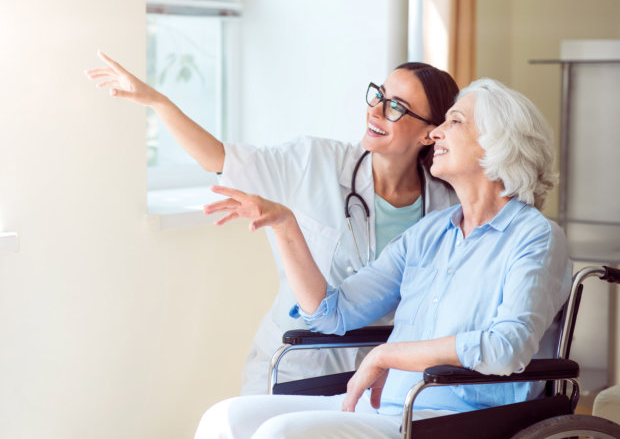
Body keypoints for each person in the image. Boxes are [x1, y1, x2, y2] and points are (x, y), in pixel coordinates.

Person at [196, 78, 573, 438]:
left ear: (498, 145)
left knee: (281, 434)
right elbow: (334, 312)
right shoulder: (430, 233)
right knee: (226, 418)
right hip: (385, 407)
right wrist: (284, 224)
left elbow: (507, 347)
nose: (437, 132)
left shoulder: (535, 236)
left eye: (454, 121)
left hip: (454, 417)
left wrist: (386, 356)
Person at [85, 52, 459, 394]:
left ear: (431, 132)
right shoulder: (314, 161)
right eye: (378, 95)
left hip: (379, 377)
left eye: (396, 107)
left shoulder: (448, 205)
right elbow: (217, 157)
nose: (376, 110)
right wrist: (157, 101)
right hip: (298, 365)